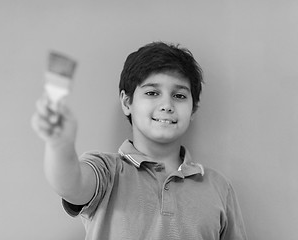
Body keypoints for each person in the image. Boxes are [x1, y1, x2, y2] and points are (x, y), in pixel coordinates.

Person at [31, 42, 247, 240]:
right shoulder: (106, 171)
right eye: (153, 93)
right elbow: (70, 185)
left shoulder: (219, 188)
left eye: (179, 96)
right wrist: (60, 144)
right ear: (127, 103)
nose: (167, 105)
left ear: (193, 109)